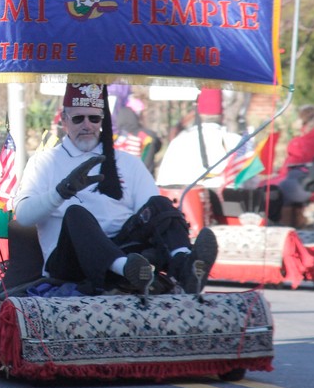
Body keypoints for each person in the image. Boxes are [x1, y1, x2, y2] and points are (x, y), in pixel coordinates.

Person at [13, 83, 218, 296]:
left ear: (102, 121)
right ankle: (126, 269)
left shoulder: (127, 162)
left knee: (160, 205)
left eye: (94, 118)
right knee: (76, 213)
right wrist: (61, 192)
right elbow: (24, 216)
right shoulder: (45, 162)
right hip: (69, 260)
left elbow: (152, 215)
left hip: (124, 248)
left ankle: (185, 265)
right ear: (63, 120)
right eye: (78, 118)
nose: (87, 125)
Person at [156, 89, 242, 189]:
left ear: (197, 114)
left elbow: (163, 184)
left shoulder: (179, 142)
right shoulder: (237, 142)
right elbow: (252, 183)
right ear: (222, 115)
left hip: (187, 201)